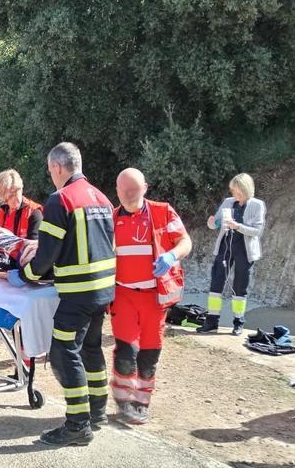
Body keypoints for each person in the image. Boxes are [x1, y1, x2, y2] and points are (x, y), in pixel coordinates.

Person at [18, 142, 116, 446]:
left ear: (58, 167)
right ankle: (98, 411)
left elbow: (47, 253)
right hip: (103, 289)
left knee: (63, 352)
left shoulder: (60, 200)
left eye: (51, 171)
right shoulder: (100, 196)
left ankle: (77, 426)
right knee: (90, 348)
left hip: (78, 292)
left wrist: (28, 275)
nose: (51, 176)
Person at [111, 168, 192, 424]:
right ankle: (123, 399)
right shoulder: (111, 218)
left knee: (149, 353)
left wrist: (171, 256)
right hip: (123, 294)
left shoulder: (162, 211)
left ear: (145, 187)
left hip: (154, 297)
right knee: (125, 352)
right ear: (117, 191)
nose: (129, 196)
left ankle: (141, 403)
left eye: (134, 191)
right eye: (124, 192)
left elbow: (185, 242)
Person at [197, 173, 266, 335]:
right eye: (233, 191)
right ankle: (212, 321)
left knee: (240, 287)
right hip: (225, 247)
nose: (235, 195)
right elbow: (217, 222)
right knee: (216, 283)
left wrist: (238, 226)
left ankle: (238, 322)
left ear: (246, 189)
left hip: (244, 250)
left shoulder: (257, 205)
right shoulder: (228, 202)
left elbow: (257, 230)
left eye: (238, 191)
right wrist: (213, 222)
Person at [0, 169, 43, 240]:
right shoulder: (2, 211)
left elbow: (34, 246)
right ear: (3, 197)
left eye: (18, 192)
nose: (16, 199)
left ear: (22, 189)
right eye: (11, 196)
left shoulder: (34, 213)